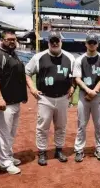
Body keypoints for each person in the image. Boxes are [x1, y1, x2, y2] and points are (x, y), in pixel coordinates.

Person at [25, 31, 75, 166]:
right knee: (42, 127)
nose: (54, 43)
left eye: (56, 40)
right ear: (48, 42)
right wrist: (32, 88)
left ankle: (59, 150)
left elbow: (75, 76)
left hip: (63, 97)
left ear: (61, 42)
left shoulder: (70, 57)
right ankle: (42, 152)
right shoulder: (38, 57)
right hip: (45, 98)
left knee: (61, 126)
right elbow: (27, 73)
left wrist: (73, 86)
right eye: (52, 41)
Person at [0, 31, 27, 175]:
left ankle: (8, 156)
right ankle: (4, 162)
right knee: (3, 133)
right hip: (4, 103)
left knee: (10, 133)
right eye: (9, 39)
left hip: (14, 102)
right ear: (2, 40)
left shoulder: (13, 55)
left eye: (14, 39)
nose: (12, 41)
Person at [73, 33, 100, 162]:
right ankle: (79, 149)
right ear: (86, 44)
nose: (92, 44)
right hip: (84, 95)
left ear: (97, 44)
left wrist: (95, 91)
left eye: (94, 42)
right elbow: (77, 78)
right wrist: (88, 91)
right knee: (81, 124)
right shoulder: (79, 60)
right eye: (90, 42)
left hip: (97, 95)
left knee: (98, 124)